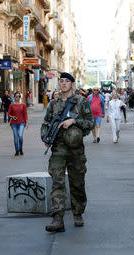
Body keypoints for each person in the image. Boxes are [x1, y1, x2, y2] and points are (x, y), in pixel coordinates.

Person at [41, 72, 94, 232]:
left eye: (66, 81)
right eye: (61, 81)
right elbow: (46, 122)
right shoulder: (53, 104)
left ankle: (78, 212)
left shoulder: (81, 102)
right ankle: (58, 218)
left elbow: (90, 123)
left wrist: (73, 121)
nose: (63, 84)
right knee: (57, 182)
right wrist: (45, 136)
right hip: (58, 148)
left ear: (72, 84)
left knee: (77, 183)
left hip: (76, 149)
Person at [8, 91, 28, 156]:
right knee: (16, 137)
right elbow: (8, 114)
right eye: (16, 96)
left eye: (19, 96)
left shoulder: (23, 105)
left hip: (22, 122)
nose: (18, 97)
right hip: (14, 123)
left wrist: (26, 123)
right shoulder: (11, 105)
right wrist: (12, 116)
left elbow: (25, 114)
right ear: (14, 97)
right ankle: (17, 151)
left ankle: (20, 148)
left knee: (20, 135)